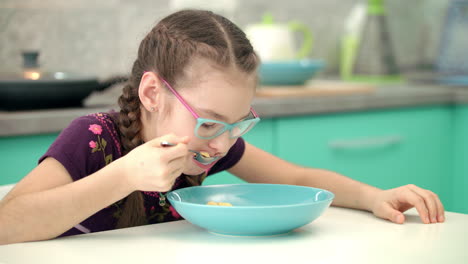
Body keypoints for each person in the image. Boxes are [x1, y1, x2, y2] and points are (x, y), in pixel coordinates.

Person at [0, 9, 445, 245]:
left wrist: (374, 197)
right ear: (153, 94)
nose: (224, 142)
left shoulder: (208, 144)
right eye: (211, 122)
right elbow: (7, 225)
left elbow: (298, 178)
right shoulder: (94, 138)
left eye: (238, 124)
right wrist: (124, 176)